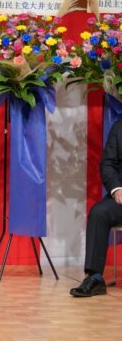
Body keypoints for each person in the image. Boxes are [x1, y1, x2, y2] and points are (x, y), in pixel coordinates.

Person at [70, 120, 122, 297]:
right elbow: (108, 163)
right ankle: (95, 278)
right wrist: (117, 189)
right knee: (99, 212)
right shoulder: (119, 127)